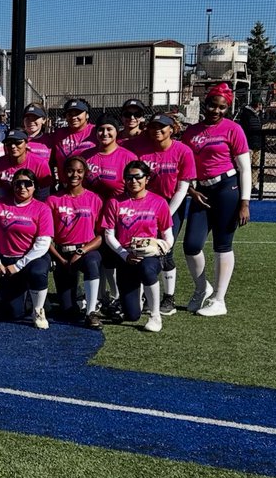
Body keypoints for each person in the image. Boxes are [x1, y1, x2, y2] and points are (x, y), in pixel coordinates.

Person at [181, 82, 252, 317]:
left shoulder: (233, 129)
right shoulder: (191, 132)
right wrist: (191, 191)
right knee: (191, 245)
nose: (216, 110)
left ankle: (219, 300)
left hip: (226, 188)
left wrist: (244, 202)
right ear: (206, 104)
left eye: (222, 107)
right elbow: (185, 167)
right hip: (201, 191)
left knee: (223, 244)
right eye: (213, 105)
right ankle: (202, 288)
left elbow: (245, 168)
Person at [100, 161, 174, 332]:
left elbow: (167, 235)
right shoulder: (114, 202)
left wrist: (162, 247)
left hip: (149, 256)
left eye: (138, 177)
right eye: (129, 178)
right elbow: (109, 235)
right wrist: (125, 255)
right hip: (126, 257)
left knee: (147, 270)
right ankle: (136, 297)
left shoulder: (159, 202)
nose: (133, 181)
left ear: (147, 179)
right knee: (132, 315)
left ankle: (155, 315)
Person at [137, 113, 195, 316]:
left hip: (171, 208)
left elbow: (182, 188)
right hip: (143, 208)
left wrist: (165, 215)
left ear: (172, 129)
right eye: (153, 126)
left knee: (165, 250)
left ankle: (169, 298)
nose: (157, 130)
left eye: (162, 126)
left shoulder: (183, 151)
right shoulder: (142, 151)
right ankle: (146, 296)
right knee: (143, 250)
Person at [0, 168, 54, 329]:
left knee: (37, 272)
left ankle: (38, 308)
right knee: (13, 313)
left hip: (32, 259)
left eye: (27, 183)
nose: (22, 187)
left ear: (34, 186)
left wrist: (18, 265)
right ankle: (28, 297)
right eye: (18, 183)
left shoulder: (42, 208)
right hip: (7, 260)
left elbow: (43, 243)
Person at [46, 157, 105, 328]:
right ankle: (77, 300)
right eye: (70, 171)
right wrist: (60, 259)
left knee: (92, 262)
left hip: (86, 251)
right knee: (67, 311)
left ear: (85, 173)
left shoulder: (94, 199)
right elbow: (45, 236)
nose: (75, 175)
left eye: (79, 171)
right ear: (64, 173)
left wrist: (82, 251)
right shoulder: (52, 200)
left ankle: (91, 312)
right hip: (62, 254)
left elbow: (101, 235)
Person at [81, 113, 139, 199]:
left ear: (117, 131)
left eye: (109, 129)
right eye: (101, 129)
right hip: (88, 205)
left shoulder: (129, 158)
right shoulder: (85, 155)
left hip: (116, 205)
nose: (105, 133)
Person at [0, 130, 52, 201]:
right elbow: (2, 195)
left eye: (18, 142)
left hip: (34, 204)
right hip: (8, 204)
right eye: (8, 143)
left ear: (26, 144)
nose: (13, 146)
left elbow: (43, 196)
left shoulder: (40, 164)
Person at [49, 98, 98, 173]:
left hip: (90, 179)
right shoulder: (58, 134)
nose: (73, 117)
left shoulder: (96, 131)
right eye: (70, 114)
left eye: (77, 113)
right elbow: (50, 160)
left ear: (87, 115)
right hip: (65, 180)